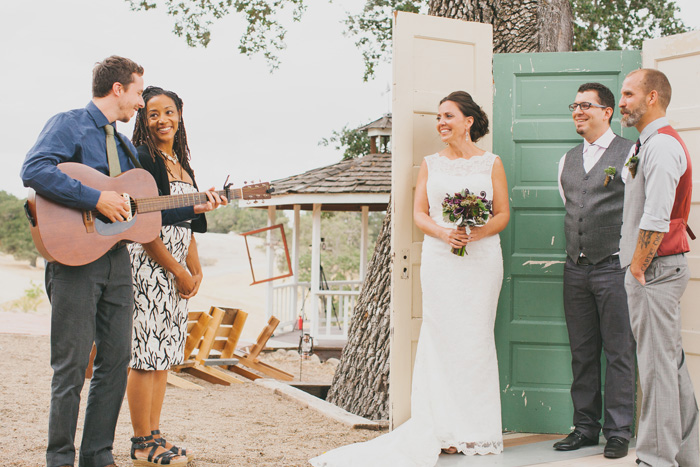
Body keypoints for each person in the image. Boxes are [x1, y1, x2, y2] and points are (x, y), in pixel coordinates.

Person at [310, 90, 509, 466]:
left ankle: (475, 430)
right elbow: (419, 214)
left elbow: (502, 214)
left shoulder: (491, 163)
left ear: (468, 121)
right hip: (441, 258)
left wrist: (478, 232)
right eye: (438, 117)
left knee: (476, 339)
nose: (441, 123)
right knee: (441, 337)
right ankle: (443, 427)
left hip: (482, 259)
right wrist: (444, 232)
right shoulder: (430, 163)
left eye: (448, 116)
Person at [20, 56, 144, 467]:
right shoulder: (68, 123)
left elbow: (140, 208)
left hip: (117, 262)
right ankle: (59, 459)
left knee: (117, 361)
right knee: (71, 366)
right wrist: (95, 198)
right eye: (139, 92)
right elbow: (34, 169)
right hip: (74, 260)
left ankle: (98, 456)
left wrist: (199, 206)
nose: (140, 104)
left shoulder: (125, 145)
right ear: (118, 89)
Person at [126, 86, 226, 465]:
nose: (162, 120)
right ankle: (140, 442)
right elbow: (144, 225)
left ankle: (154, 435)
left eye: (168, 112)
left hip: (177, 266)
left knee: (164, 353)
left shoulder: (182, 163)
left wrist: (195, 267)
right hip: (150, 265)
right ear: (144, 120)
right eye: (153, 114)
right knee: (144, 354)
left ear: (180, 115)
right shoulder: (144, 158)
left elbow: (187, 223)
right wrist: (177, 269)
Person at [618, 68, 698, 467]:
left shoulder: (662, 145)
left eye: (629, 94)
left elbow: (657, 215)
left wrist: (637, 266)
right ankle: (688, 454)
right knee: (671, 363)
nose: (622, 102)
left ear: (653, 97)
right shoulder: (644, 144)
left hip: (654, 270)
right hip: (653, 268)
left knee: (655, 369)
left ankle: (654, 459)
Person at [553, 83, 636, 459]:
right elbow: (573, 207)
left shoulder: (629, 151)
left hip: (614, 267)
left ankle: (618, 431)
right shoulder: (566, 159)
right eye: (575, 105)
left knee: (619, 351)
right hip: (575, 269)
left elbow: (636, 209)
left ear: (607, 111)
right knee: (582, 352)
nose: (578, 111)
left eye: (586, 105)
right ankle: (585, 427)